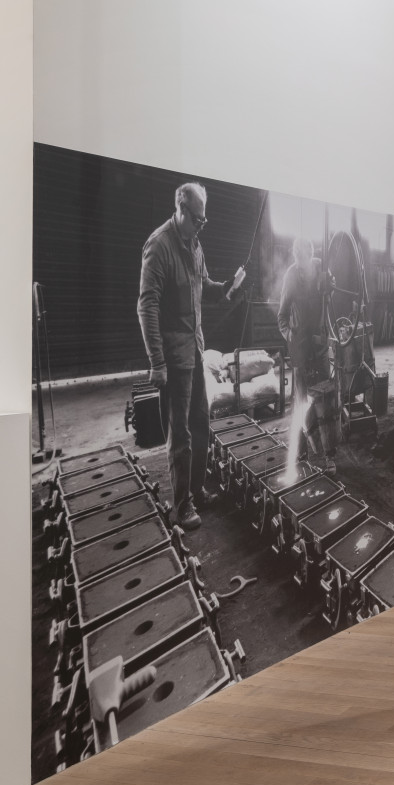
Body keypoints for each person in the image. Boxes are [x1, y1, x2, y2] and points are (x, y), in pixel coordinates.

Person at [137, 182, 245, 531]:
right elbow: (146, 305)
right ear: (180, 209)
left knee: (202, 425)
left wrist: (228, 286)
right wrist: (157, 361)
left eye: (204, 220)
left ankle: (196, 490)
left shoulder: (194, 245)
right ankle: (181, 506)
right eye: (196, 219)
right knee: (179, 435)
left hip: (195, 351)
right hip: (173, 360)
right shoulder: (159, 246)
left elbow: (205, 286)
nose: (201, 225)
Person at [277, 238, 340, 473]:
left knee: (325, 401)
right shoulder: (290, 276)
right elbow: (281, 317)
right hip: (301, 348)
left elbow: (332, 295)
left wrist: (330, 285)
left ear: (311, 256)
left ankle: (329, 456)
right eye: (297, 261)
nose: (301, 267)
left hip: (320, 346)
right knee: (302, 402)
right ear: (294, 258)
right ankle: (302, 451)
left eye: (304, 261)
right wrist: (290, 337)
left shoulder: (322, 269)